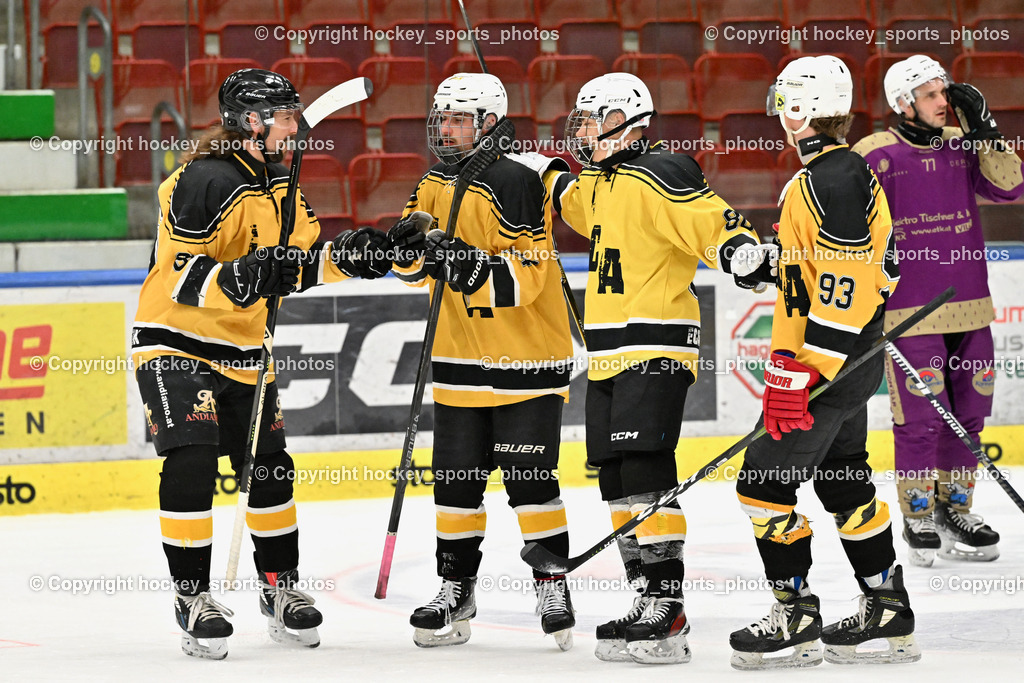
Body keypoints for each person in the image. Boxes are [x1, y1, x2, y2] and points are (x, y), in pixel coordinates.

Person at [131, 68, 391, 659]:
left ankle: (280, 588)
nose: (296, 127)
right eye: (286, 117)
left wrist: (362, 253)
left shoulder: (283, 189)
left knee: (271, 467)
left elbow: (301, 265)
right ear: (252, 121)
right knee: (193, 457)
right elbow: (180, 276)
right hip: (176, 341)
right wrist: (244, 275)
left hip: (246, 352)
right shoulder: (202, 181)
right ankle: (193, 596)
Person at [542, 72, 774, 665]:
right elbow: (564, 192)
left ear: (627, 121)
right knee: (615, 474)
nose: (583, 130)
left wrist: (741, 252)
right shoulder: (598, 183)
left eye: (592, 119)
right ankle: (645, 593)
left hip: (657, 344)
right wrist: (529, 166)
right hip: (609, 352)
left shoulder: (661, 170)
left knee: (647, 466)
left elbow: (712, 221)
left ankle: (668, 609)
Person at [727, 55, 917, 670]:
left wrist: (802, 372)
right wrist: (773, 258)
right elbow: (854, 268)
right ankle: (887, 609)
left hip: (827, 363)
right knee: (844, 480)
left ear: (800, 108)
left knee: (762, 485)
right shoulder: (835, 173)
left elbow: (849, 280)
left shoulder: (828, 178)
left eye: (785, 98)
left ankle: (795, 618)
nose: (779, 108)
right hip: (847, 360)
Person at [387, 72, 577, 650]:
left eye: (458, 120)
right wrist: (407, 250)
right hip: (456, 363)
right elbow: (410, 266)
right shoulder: (430, 183)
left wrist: (465, 263)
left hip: (526, 363)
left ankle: (551, 581)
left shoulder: (516, 181)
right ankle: (455, 589)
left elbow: (530, 274)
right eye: (440, 119)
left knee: (531, 483)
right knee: (455, 487)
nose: (444, 130)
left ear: (488, 123)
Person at [852, 55, 1023, 567]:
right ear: (901, 102)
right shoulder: (875, 154)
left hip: (971, 308)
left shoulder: (961, 144)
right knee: (921, 419)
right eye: (930, 94)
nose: (943, 101)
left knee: (969, 416)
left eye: (944, 90)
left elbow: (1011, 185)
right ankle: (919, 513)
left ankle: (957, 508)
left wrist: (985, 129)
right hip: (909, 314)